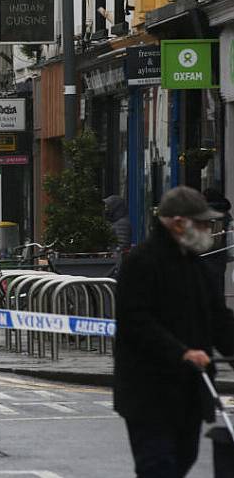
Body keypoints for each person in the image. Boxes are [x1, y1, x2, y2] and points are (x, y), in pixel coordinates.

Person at [114, 186, 234, 477]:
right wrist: (181, 353)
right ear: (178, 223)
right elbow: (136, 322)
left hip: (189, 393)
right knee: (158, 467)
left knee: (183, 461)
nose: (208, 229)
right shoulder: (141, 263)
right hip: (149, 393)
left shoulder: (194, 265)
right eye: (202, 223)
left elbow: (218, 319)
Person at [203, 187, 233, 299]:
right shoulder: (226, 215)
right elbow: (230, 239)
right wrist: (229, 256)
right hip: (219, 258)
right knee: (218, 285)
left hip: (201, 257)